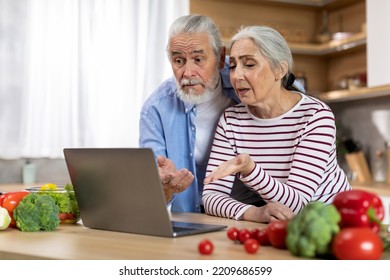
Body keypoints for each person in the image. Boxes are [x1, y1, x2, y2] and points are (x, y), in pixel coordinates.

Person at [139, 15, 297, 217]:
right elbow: (152, 191)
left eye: (198, 59)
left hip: (271, 207)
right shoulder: (155, 109)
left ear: (221, 57)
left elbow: (293, 101)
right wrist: (165, 189)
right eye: (179, 60)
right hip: (202, 213)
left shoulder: (247, 77)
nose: (188, 72)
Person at [203, 25, 351, 223]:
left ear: (280, 70)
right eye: (233, 66)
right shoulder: (231, 120)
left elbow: (295, 206)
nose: (237, 75)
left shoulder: (315, 116)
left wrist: (250, 170)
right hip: (283, 227)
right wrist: (254, 213)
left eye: (249, 64)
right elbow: (211, 196)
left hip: (331, 223)